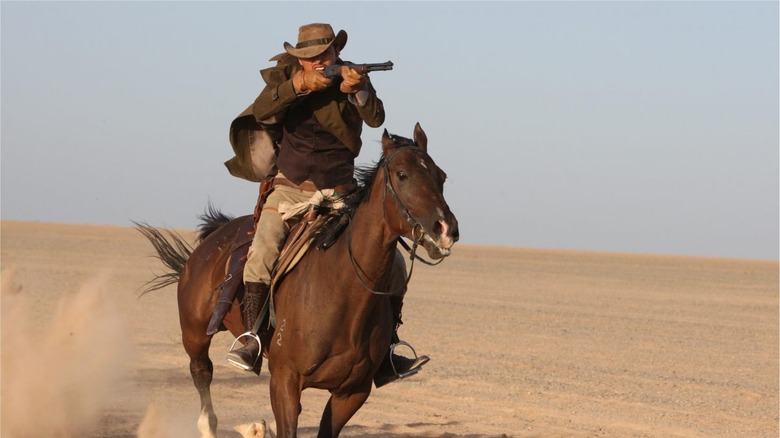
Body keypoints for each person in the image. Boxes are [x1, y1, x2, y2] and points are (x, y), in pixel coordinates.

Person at [224, 23, 429, 387]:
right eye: (311, 57)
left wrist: (359, 90)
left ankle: (387, 350)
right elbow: (262, 110)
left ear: (336, 51)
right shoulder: (285, 78)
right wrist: (298, 87)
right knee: (263, 248)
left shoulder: (351, 77)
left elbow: (376, 118)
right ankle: (252, 338)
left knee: (394, 264)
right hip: (291, 190)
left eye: (326, 54)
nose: (320, 62)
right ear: (300, 58)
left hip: (341, 192)